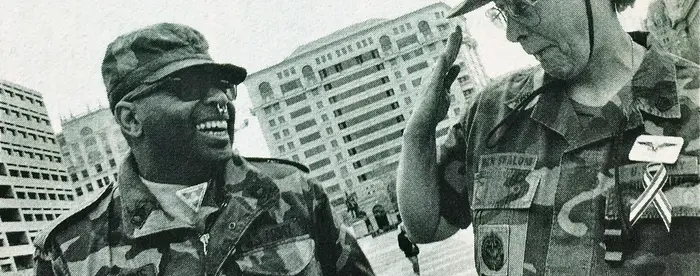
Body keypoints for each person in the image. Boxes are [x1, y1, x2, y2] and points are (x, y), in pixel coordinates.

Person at [33, 23, 375, 276]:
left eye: (223, 87)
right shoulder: (69, 248)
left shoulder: (291, 192)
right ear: (131, 119)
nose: (220, 99)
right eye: (191, 88)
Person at [397, 0, 700, 275]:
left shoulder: (693, 105)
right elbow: (427, 224)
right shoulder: (493, 113)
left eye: (520, 6)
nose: (512, 33)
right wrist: (417, 133)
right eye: (502, 12)